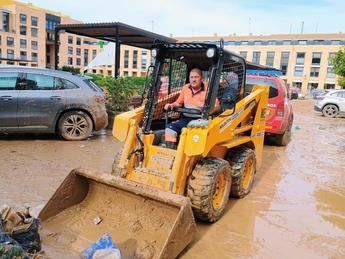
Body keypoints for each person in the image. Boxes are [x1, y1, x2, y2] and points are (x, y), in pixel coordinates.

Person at [164, 68, 215, 148]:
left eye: (196, 77)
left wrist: (207, 112)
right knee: (169, 129)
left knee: (194, 138)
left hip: (200, 120)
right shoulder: (185, 88)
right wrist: (171, 105)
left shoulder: (208, 90)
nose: (193, 80)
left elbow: (216, 107)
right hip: (185, 119)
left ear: (202, 79)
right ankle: (172, 153)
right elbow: (178, 103)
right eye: (191, 77)